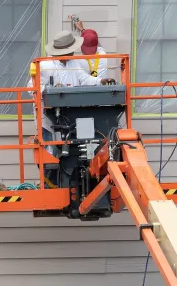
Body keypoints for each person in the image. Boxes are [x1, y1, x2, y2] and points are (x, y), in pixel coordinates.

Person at [28, 30, 114, 187]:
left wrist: (100, 81)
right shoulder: (44, 66)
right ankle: (50, 186)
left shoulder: (76, 63)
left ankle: (73, 185)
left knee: (76, 150)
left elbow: (84, 79)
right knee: (50, 152)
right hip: (49, 118)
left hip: (72, 116)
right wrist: (51, 90)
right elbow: (31, 88)